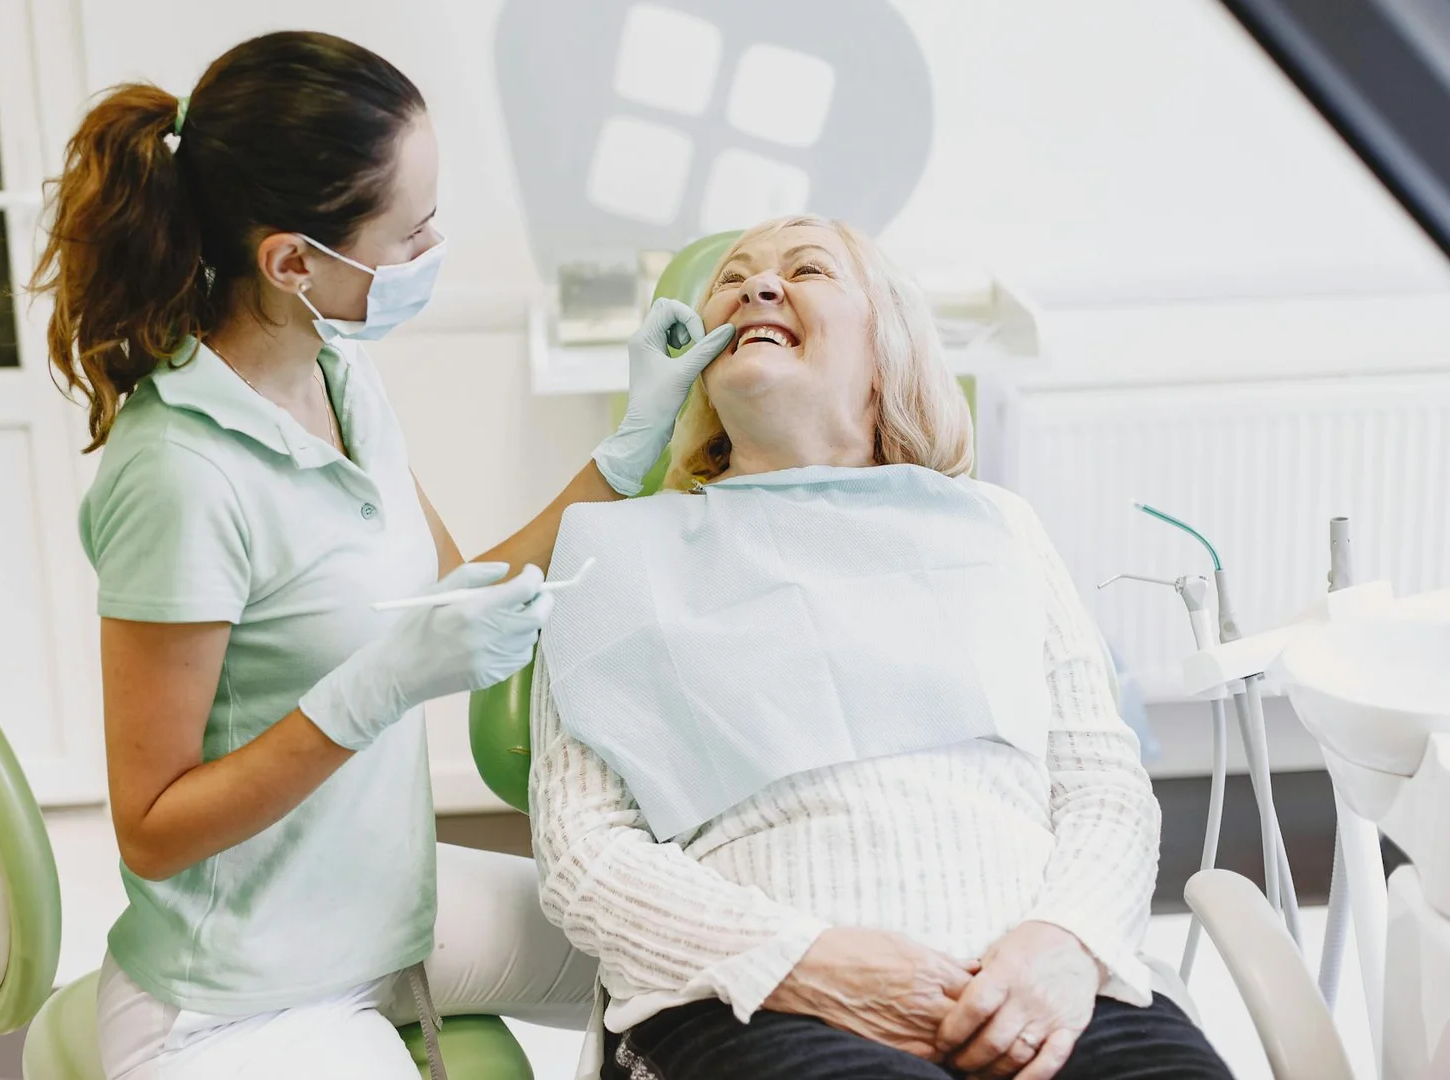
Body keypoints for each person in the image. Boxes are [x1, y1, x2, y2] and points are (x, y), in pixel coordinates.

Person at [29, 30, 731, 1078]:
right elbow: (153, 827)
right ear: (293, 262)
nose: (434, 246)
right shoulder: (181, 474)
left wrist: (629, 449)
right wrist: (372, 693)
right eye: (411, 231)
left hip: (379, 902)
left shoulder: (339, 376)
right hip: (237, 997)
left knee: (700, 957)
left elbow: (455, 591)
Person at [529, 215, 1236, 1080]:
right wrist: (801, 960)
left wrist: (1065, 941)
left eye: (807, 269)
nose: (757, 287)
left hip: (1032, 974)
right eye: (733, 278)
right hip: (754, 998)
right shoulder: (612, 554)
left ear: (886, 349)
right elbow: (583, 855)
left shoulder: (995, 527)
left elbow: (1102, 785)